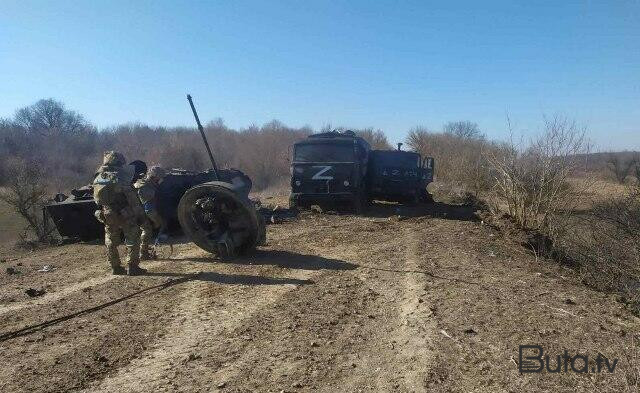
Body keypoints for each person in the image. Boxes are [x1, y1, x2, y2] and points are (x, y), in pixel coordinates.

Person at [92, 151, 147, 276]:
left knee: (110, 240)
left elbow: (96, 198)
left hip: (107, 212)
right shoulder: (121, 176)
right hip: (125, 212)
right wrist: (140, 216)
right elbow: (132, 199)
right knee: (133, 237)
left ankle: (115, 267)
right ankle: (133, 267)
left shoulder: (99, 176)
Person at [134, 165, 167, 260]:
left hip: (143, 211)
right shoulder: (145, 186)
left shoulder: (149, 184)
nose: (160, 180)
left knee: (148, 229)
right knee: (147, 230)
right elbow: (149, 209)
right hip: (141, 212)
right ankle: (143, 253)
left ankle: (144, 250)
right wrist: (157, 221)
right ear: (154, 176)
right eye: (159, 178)